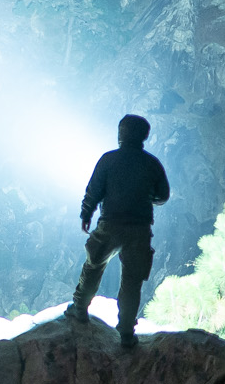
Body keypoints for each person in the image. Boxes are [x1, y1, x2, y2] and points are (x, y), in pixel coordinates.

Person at [65, 114, 170, 349]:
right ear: (144, 136)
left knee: (93, 266)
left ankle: (80, 309)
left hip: (110, 224)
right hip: (139, 229)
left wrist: (86, 213)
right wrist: (142, 195)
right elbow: (163, 195)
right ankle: (125, 332)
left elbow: (94, 190)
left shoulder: (108, 160)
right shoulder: (152, 163)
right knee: (132, 281)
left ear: (121, 134)